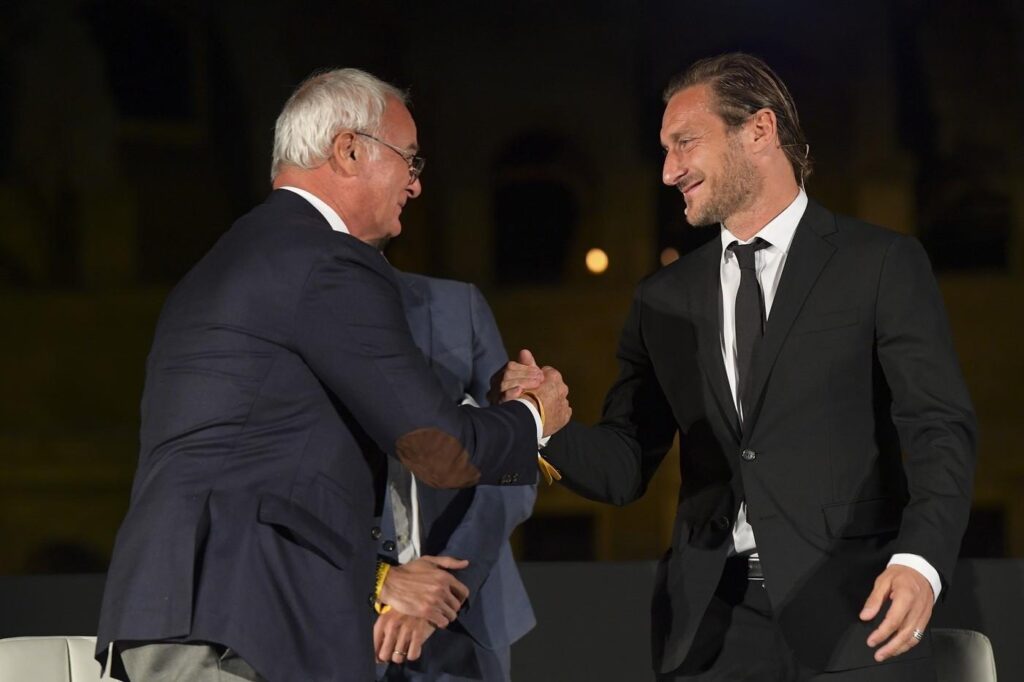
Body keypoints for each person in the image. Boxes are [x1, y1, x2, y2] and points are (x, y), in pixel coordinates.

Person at [498, 53, 975, 681]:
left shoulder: (879, 263)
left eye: (685, 143)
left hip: (857, 612)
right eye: (664, 150)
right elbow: (625, 465)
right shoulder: (662, 298)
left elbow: (939, 429)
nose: (668, 171)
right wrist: (548, 426)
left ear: (759, 130)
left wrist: (920, 562)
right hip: (710, 630)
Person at [95, 68, 569, 682]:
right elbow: (437, 447)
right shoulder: (325, 261)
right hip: (240, 621)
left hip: (181, 610)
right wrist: (533, 416)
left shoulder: (230, 259)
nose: (416, 184)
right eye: (409, 160)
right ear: (348, 150)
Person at [372, 271, 536, 681]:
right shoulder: (286, 306)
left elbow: (513, 468)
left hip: (467, 618)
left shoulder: (457, 306)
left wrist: (443, 591)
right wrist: (378, 580)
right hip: (346, 620)